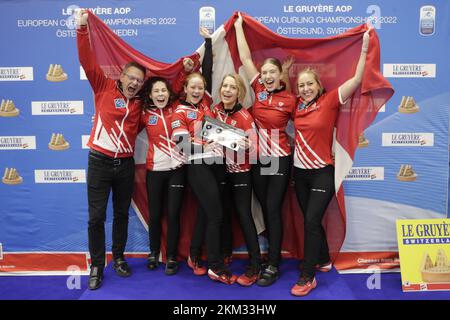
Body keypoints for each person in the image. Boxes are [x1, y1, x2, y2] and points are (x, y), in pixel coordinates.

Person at [289, 27, 372, 296]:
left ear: (318, 84)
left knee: (312, 221)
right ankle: (323, 259)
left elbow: (358, 78)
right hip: (299, 174)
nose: (305, 88)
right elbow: (268, 88)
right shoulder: (295, 106)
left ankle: (307, 275)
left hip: (323, 172)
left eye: (309, 84)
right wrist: (281, 70)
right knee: (309, 220)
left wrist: (364, 46)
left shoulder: (329, 100)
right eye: (301, 85)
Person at [76, 10, 146, 290]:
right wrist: (82, 29)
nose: (134, 83)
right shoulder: (103, 86)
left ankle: (118, 258)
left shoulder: (141, 104)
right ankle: (96, 265)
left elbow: (168, 92)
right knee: (96, 216)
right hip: (99, 161)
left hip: (125, 165)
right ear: (122, 76)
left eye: (139, 81)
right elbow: (86, 59)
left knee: (120, 214)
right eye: (131, 78)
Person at [234, 13, 297, 286]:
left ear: (281, 74)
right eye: (266, 72)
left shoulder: (291, 99)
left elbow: (307, 125)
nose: (268, 76)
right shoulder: (258, 87)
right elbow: (246, 59)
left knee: (272, 208)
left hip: (279, 159)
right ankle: (272, 254)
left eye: (273, 72)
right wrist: (238, 27)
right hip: (258, 159)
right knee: (264, 206)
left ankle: (272, 264)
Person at [171, 28, 237, 285]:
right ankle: (215, 266)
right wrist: (211, 140)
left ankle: (194, 256)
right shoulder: (180, 111)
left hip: (218, 165)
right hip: (198, 166)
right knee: (215, 215)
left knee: (206, 213)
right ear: (185, 89)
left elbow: (207, 68)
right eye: (193, 87)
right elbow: (182, 146)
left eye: (201, 87)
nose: (198, 91)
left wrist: (209, 41)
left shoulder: (207, 105)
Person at [212, 74, 263, 286]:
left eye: (232, 87)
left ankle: (255, 265)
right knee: (222, 213)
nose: (227, 90)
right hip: (219, 172)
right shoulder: (214, 110)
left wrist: (249, 146)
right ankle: (225, 252)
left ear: (239, 92)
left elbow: (255, 151)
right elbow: (204, 134)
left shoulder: (245, 116)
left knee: (243, 214)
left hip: (241, 172)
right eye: (225, 86)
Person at [140, 76, 187, 275]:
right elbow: (127, 127)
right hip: (155, 172)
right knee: (156, 214)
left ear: (169, 93)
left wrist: (184, 71)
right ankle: (154, 252)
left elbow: (180, 83)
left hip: (177, 170)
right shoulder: (144, 114)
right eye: (156, 91)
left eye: (164, 90)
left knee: (174, 214)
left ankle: (172, 256)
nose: (161, 94)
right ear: (150, 95)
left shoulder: (177, 109)